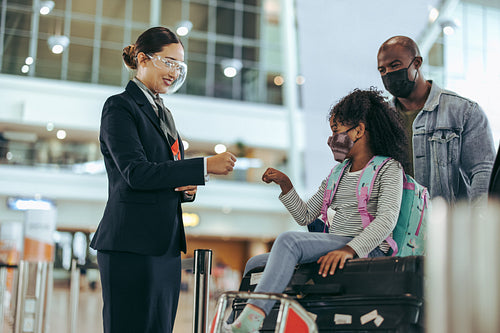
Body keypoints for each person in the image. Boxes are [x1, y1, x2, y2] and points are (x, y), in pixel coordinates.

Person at [223, 88, 408, 333]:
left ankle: (250, 321)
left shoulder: (388, 169)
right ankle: (241, 321)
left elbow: (387, 220)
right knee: (256, 263)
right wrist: (286, 185)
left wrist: (349, 249)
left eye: (336, 130)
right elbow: (306, 216)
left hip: (366, 249)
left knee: (289, 241)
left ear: (359, 130)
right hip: (335, 244)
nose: (331, 139)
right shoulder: (337, 174)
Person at [89, 27, 237, 333]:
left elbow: (167, 170)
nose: (174, 72)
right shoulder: (120, 107)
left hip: (164, 244)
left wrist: (187, 188)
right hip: (130, 244)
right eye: (168, 62)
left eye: (179, 66)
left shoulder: (165, 114)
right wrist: (203, 167)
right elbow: (136, 173)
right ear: (143, 59)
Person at [377, 35, 495, 204]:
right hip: (394, 225)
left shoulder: (463, 111)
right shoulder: (381, 118)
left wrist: (478, 221)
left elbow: (483, 171)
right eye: (382, 70)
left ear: (417, 63)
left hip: (447, 224)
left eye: (395, 65)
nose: (388, 74)